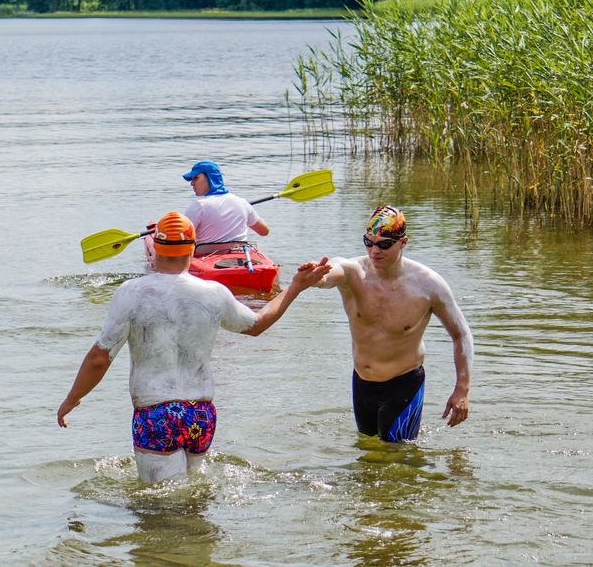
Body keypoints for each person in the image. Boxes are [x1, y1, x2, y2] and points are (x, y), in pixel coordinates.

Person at [57, 211, 330, 483]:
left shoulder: (131, 292)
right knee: (193, 498)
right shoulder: (214, 293)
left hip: (157, 412)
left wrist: (73, 398)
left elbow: (99, 358)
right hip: (201, 413)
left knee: (160, 508)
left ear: (154, 251)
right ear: (193, 250)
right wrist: (295, 286)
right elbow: (257, 324)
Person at [308, 204, 473, 442]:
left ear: (403, 242)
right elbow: (333, 269)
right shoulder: (353, 273)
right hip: (362, 383)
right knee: (368, 453)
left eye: (384, 244)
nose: (374, 250)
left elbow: (461, 334)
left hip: (404, 383)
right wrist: (318, 276)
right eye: (369, 242)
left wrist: (462, 390)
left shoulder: (429, 285)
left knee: (396, 456)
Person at [181, 160, 270, 254]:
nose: (192, 183)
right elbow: (264, 231)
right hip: (240, 257)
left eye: (196, 178)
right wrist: (248, 210)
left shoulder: (199, 205)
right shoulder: (242, 203)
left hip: (205, 258)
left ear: (210, 178)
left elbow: (181, 239)